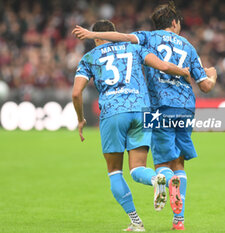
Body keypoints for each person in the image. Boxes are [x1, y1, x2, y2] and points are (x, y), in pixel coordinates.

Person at [72, 1, 217, 230]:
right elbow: (204, 84)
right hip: (181, 107)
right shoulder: (188, 46)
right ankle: (178, 218)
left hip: (153, 107)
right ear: (175, 22)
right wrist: (210, 74)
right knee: (179, 161)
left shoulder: (146, 38)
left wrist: (91, 34)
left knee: (154, 165)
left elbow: (77, 91)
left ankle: (160, 190)